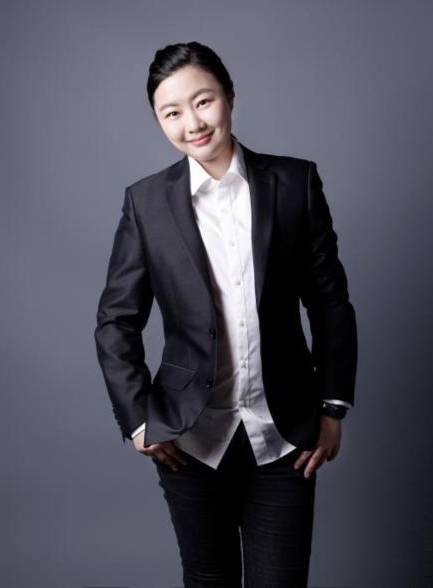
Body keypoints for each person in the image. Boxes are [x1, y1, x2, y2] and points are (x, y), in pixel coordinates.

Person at [94, 41, 357, 588]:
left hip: (285, 434)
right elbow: (116, 320)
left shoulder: (295, 183)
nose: (192, 123)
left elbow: (330, 302)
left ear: (230, 97)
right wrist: (139, 419)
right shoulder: (146, 202)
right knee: (207, 579)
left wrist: (332, 407)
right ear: (158, 120)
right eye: (171, 112)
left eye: (203, 101)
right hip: (188, 438)